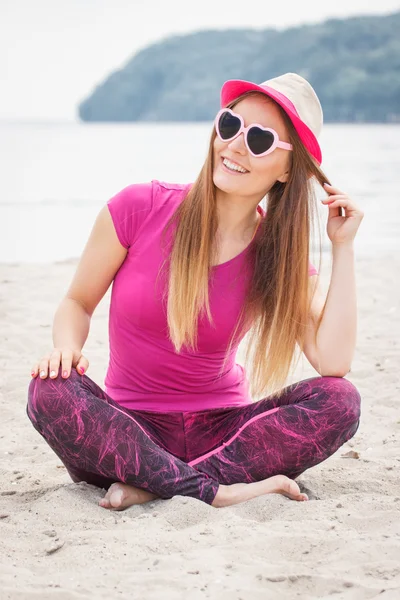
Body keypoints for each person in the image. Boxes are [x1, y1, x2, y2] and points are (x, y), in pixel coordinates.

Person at [27, 73, 364, 510]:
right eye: (230, 125)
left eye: (259, 139)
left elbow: (333, 361)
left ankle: (160, 486)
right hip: (128, 433)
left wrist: (344, 247)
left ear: (287, 169)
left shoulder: (278, 256)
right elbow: (77, 302)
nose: (235, 146)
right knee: (48, 388)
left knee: (341, 401)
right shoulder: (138, 207)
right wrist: (66, 349)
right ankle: (212, 491)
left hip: (227, 436)